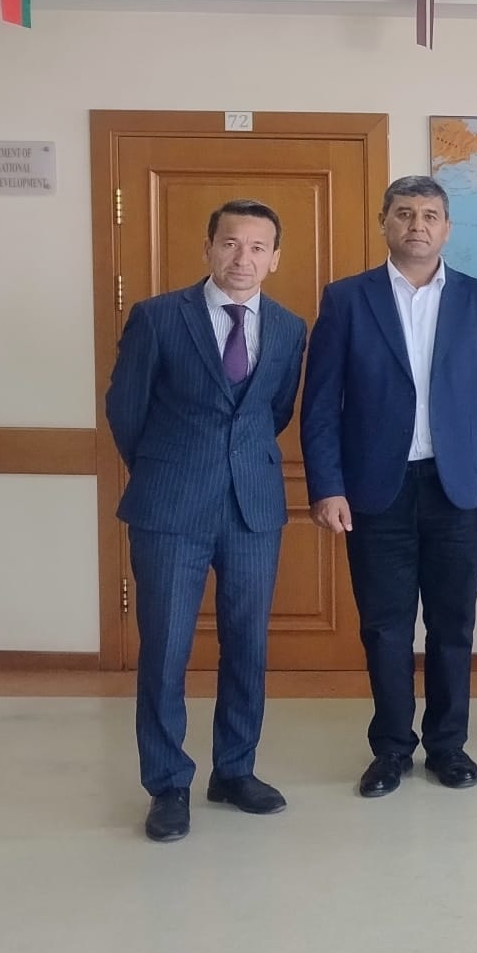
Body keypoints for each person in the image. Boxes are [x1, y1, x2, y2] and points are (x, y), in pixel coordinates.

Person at [302, 176, 477, 798]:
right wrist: (328, 485)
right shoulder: (347, 299)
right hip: (377, 490)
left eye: (430, 215)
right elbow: (321, 405)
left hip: (459, 491)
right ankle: (392, 748)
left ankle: (449, 746)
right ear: (384, 224)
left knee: (453, 626)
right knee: (385, 626)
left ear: (447, 228)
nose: (417, 225)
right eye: (404, 214)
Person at [104, 200, 306, 842]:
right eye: (230, 243)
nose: (241, 258)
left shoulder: (289, 326)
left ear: (275, 258)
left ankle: (234, 770)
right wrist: (170, 466)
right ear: (208, 248)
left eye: (256, 247)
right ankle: (167, 784)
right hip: (169, 507)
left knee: (248, 643)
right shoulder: (159, 318)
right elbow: (126, 410)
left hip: (253, 508)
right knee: (165, 649)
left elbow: (272, 412)